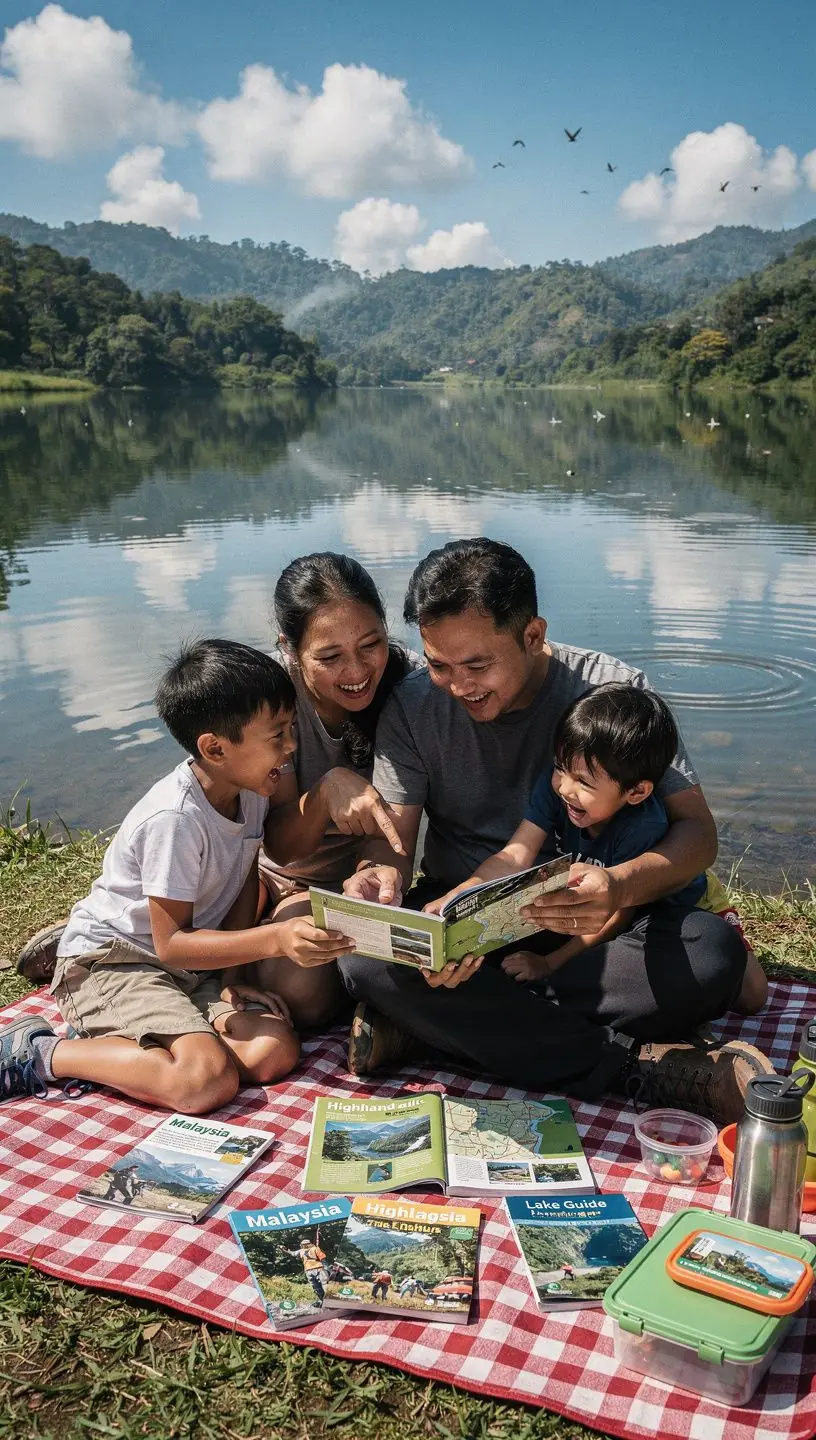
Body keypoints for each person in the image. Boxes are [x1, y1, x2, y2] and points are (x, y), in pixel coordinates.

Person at [338, 538, 773, 1124]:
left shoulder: (612, 694)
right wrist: (377, 879)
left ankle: (434, 1027)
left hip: (594, 933)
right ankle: (638, 1068)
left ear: (534, 636)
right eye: (439, 664)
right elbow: (391, 846)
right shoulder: (412, 706)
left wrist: (619, 885)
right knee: (364, 962)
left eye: (477, 665)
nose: (457, 685)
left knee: (710, 954)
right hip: (466, 920)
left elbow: (698, 836)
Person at [0, 640, 354, 1110]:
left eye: (291, 729)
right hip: (115, 961)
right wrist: (276, 938)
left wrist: (229, 977)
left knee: (274, 1051)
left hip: (184, 970)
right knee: (203, 1081)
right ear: (214, 747)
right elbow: (170, 943)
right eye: (278, 735)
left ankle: (132, 1039)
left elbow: (244, 880)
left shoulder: (250, 790)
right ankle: (44, 1052)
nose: (291, 747)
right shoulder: (175, 819)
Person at [432, 682, 767, 1012]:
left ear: (636, 792)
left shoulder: (642, 826)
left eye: (584, 782)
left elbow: (619, 912)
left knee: (751, 995)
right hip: (606, 904)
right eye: (561, 768)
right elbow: (515, 854)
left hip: (668, 901)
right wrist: (463, 893)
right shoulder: (556, 791)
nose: (564, 787)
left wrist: (550, 963)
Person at [254, 552, 414, 1028]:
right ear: (290, 648)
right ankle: (111, 945)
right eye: (329, 657)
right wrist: (324, 794)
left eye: (371, 644)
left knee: (305, 997)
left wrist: (377, 874)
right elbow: (280, 847)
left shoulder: (410, 689)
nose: (357, 671)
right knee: (294, 992)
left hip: (349, 887)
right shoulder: (269, 700)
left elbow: (397, 834)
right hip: (270, 874)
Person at [288, 1236, 328, 1302]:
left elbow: (293, 1254)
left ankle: (323, 1300)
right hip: (318, 1268)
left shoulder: (301, 1251)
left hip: (309, 1270)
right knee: (324, 1284)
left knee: (316, 1287)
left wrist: (286, 1250)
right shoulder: (315, 1248)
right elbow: (323, 1257)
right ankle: (326, 1300)